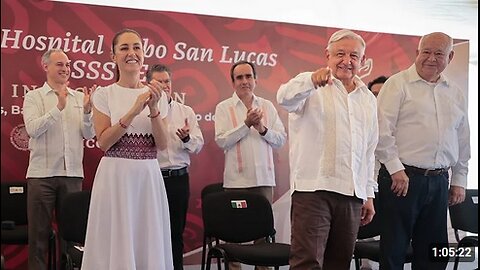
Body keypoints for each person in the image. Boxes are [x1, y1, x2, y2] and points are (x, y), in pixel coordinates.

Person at [277, 29, 378, 269]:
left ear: (362, 61)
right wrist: (311, 80)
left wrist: (369, 195)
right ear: (327, 56)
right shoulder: (310, 85)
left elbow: (368, 150)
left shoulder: (368, 98)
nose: (347, 60)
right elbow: (284, 98)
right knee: (306, 262)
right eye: (340, 54)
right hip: (313, 191)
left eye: (354, 55)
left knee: (339, 263)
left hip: (352, 194)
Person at [376, 32, 470, 270]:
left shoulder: (455, 92)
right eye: (426, 52)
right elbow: (381, 131)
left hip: (439, 183)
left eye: (439, 53)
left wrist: (459, 179)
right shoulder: (397, 84)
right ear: (416, 53)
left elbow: (462, 139)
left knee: (434, 254)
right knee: (394, 252)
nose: (431, 58)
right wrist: (396, 169)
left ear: (450, 56)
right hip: (402, 180)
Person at [81, 29, 173, 269]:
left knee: (147, 237)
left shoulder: (158, 95)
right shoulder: (104, 94)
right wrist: (133, 110)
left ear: (143, 54)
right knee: (115, 237)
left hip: (147, 177)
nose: (131, 53)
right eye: (124, 48)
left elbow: (162, 145)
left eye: (136, 47)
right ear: (113, 56)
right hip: (115, 177)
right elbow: (103, 142)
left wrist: (153, 109)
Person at [22, 48, 95, 270]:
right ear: (46, 67)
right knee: (39, 238)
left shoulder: (80, 97)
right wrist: (58, 108)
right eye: (60, 64)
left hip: (72, 175)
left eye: (68, 65)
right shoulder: (33, 97)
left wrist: (87, 113)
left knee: (70, 238)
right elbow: (33, 129)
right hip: (41, 176)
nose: (66, 69)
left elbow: (89, 134)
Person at [214, 60, 287, 270]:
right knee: (234, 233)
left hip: (263, 181)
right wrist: (246, 125)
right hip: (236, 182)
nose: (244, 81)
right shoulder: (223, 108)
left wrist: (262, 128)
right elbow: (222, 141)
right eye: (240, 77)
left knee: (262, 236)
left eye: (248, 76)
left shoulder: (267, 106)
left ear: (255, 79)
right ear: (233, 82)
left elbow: (281, 139)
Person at [146, 64, 204, 270]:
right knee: (150, 233)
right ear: (149, 85)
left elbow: (198, 145)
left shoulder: (185, 111)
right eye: (159, 82)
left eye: (167, 81)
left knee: (175, 233)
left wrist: (187, 138)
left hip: (179, 179)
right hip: (152, 178)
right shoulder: (143, 110)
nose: (165, 85)